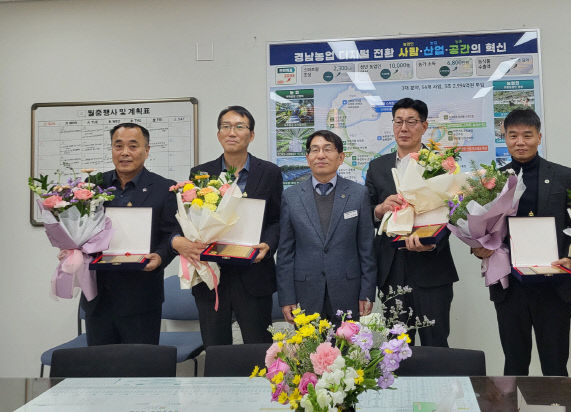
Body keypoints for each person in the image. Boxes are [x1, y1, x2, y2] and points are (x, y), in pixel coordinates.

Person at [473, 109, 571, 376]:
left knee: (555, 365)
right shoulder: (492, 181)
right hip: (510, 286)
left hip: (554, 282)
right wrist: (478, 248)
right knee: (515, 363)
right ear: (505, 138)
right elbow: (479, 228)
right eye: (513, 136)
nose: (520, 142)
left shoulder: (563, 176)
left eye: (527, 135)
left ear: (539, 137)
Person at [172, 106, 282, 347]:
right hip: (212, 274)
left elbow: (276, 219)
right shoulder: (201, 173)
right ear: (219, 134)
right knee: (215, 348)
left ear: (251, 135)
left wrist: (269, 245)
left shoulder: (270, 172)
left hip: (253, 274)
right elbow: (190, 218)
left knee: (259, 348)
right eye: (226, 126)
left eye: (239, 127)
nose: (232, 132)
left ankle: (260, 387)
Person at [365, 98, 458, 347]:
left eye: (411, 122)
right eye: (398, 122)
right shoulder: (377, 167)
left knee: (435, 344)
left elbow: (454, 213)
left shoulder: (441, 164)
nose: (403, 128)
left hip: (432, 268)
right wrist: (380, 209)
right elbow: (367, 212)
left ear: (424, 126)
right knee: (395, 348)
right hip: (391, 269)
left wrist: (433, 242)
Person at [81, 122, 179, 345]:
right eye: (118, 146)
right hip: (99, 295)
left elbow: (171, 232)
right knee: (101, 369)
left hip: (141, 296)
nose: (125, 153)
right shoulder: (92, 185)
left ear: (147, 150)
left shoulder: (164, 188)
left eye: (133, 146)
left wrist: (161, 256)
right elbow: (80, 229)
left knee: (141, 370)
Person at [277, 130, 376, 323]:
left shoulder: (358, 194)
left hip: (348, 290)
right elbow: (285, 253)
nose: (320, 155)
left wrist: (367, 291)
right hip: (305, 292)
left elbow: (366, 248)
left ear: (340, 157)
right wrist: (286, 297)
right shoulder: (291, 196)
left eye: (327, 149)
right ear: (307, 158)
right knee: (308, 352)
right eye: (315, 150)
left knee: (347, 351)